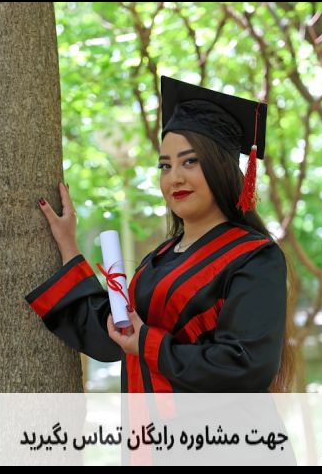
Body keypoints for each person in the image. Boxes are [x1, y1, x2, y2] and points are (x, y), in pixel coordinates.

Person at [26, 76, 294, 393]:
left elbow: (246, 365)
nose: (174, 178)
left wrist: (147, 343)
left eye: (190, 162)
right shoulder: (160, 258)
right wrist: (67, 244)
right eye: (165, 166)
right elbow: (112, 337)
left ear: (221, 167)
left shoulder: (254, 257)